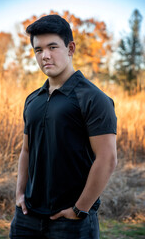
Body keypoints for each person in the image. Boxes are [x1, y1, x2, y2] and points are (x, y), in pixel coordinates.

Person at [9, 14, 117, 239]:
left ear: (70, 48)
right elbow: (27, 150)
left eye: (52, 47)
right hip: (27, 218)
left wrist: (79, 209)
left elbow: (107, 158)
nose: (45, 56)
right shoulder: (33, 100)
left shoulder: (93, 98)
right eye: (38, 50)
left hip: (71, 222)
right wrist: (20, 195)